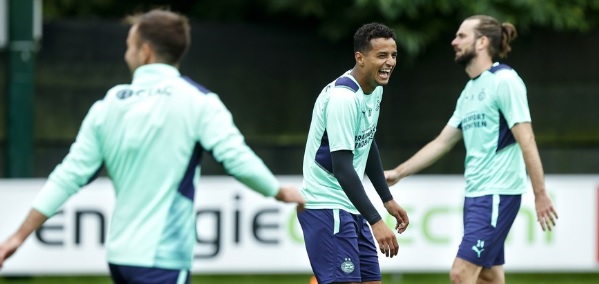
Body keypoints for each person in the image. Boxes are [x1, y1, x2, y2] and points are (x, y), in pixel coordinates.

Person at [0, 9, 304, 284]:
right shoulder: (198, 102)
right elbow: (237, 158)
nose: (126, 54)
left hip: (120, 257)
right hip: (162, 258)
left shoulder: (109, 103)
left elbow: (68, 175)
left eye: (128, 47)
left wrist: (18, 236)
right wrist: (279, 191)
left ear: (145, 52)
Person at [384, 15, 558, 284]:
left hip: (497, 194)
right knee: (488, 277)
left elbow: (527, 140)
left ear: (482, 42)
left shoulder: (505, 81)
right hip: (476, 196)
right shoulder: (470, 90)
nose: (454, 41)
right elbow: (443, 141)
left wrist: (540, 193)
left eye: (461, 36)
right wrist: (399, 172)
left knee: (461, 274)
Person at [298, 22, 410, 284]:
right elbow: (343, 168)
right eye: (381, 55)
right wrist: (376, 220)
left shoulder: (375, 90)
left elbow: (367, 142)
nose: (390, 62)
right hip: (327, 206)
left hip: (350, 206)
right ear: (360, 58)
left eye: (393, 55)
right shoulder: (344, 98)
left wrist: (387, 198)